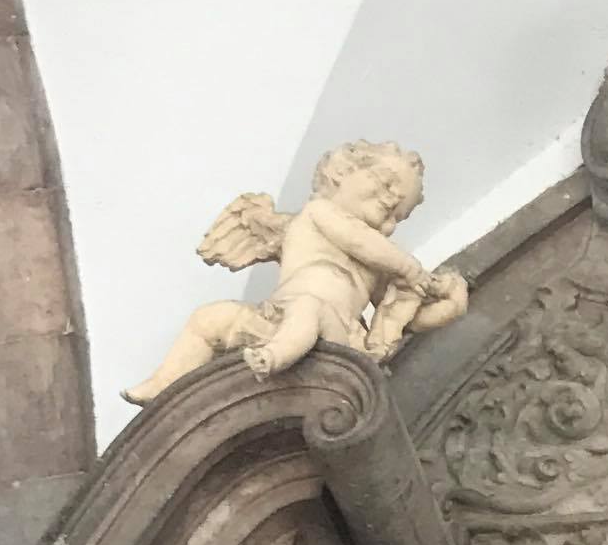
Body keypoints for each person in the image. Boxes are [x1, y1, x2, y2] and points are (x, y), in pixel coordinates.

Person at [125, 140, 467, 404]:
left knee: (309, 308)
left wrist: (450, 308)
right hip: (275, 318)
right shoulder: (321, 214)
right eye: (384, 183)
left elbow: (404, 318)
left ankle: (273, 357)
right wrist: (410, 268)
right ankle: (163, 386)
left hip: (334, 335)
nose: (391, 200)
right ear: (340, 174)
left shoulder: (377, 268)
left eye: (398, 211)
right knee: (209, 318)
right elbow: (359, 241)